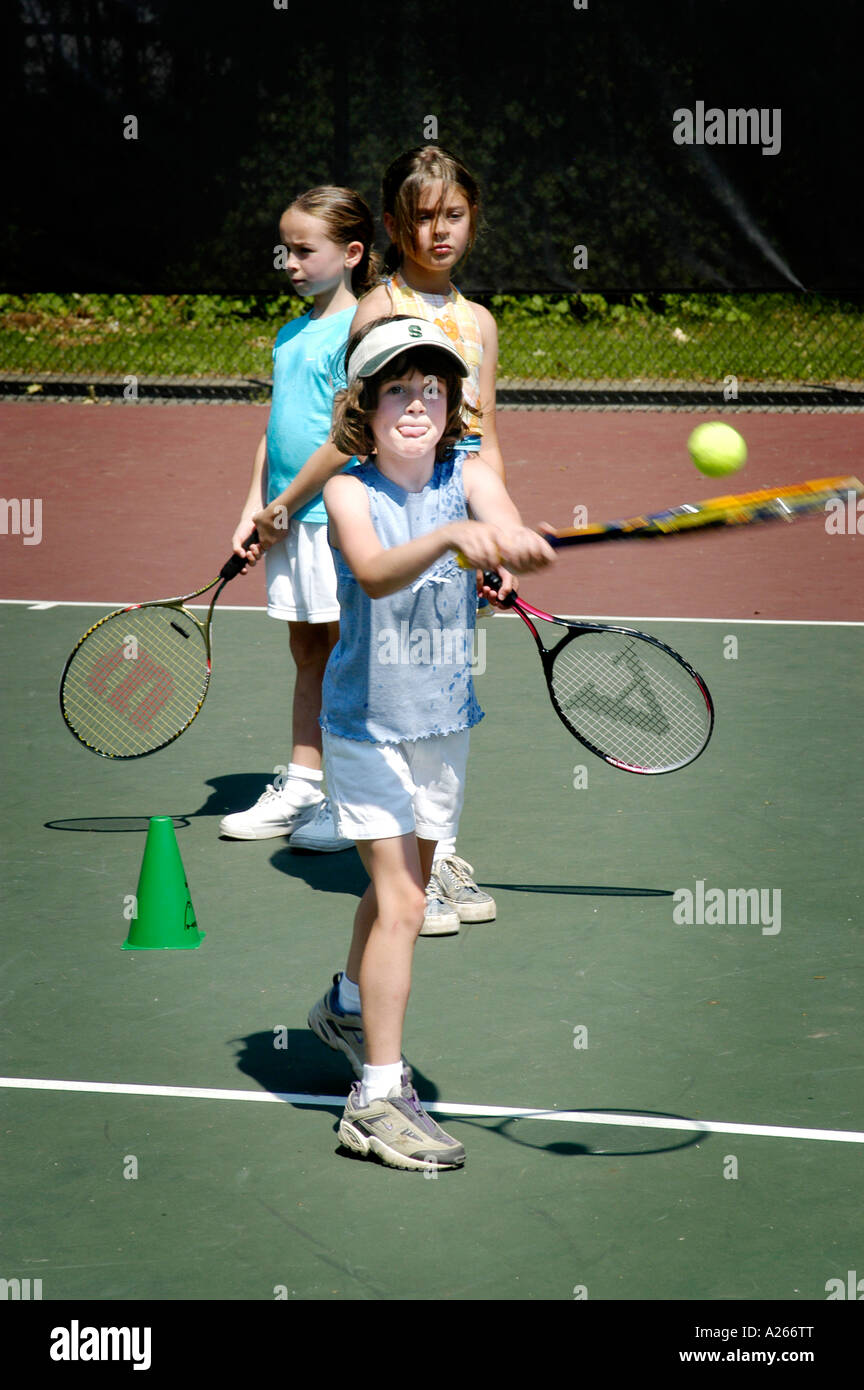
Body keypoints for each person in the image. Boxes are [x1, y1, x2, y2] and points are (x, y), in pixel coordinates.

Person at [306, 315, 554, 1171]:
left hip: (443, 720)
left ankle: (347, 1005)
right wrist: (453, 539)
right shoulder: (349, 492)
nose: (417, 405)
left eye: (434, 390)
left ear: (453, 407)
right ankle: (376, 1100)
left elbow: (502, 526)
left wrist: (507, 560)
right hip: (366, 724)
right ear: (365, 408)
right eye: (398, 390)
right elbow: (374, 572)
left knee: (397, 890)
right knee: (407, 904)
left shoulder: (470, 474)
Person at [218, 187, 377, 849]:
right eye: (286, 249)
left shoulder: (362, 330)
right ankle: (305, 788)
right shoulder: (290, 333)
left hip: (331, 522)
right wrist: (254, 508)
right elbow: (274, 428)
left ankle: (353, 798)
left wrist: (285, 507)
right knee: (308, 651)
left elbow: (349, 438)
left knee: (345, 657)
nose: (290, 262)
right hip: (287, 521)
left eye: (305, 250)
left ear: (352, 252)